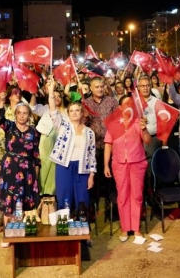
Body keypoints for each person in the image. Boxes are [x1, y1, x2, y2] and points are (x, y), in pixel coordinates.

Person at [103, 95, 151, 242]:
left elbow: (148, 141)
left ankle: (136, 227)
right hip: (119, 164)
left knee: (136, 195)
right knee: (122, 195)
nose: (129, 106)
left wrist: (144, 130)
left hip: (137, 162)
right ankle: (125, 228)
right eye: (125, 104)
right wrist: (105, 165)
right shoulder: (113, 124)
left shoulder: (138, 122)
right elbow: (108, 145)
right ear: (120, 108)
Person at [46, 77, 96, 215]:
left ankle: (82, 227)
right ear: (67, 114)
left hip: (82, 168)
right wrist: (51, 91)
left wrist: (92, 175)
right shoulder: (63, 126)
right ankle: (64, 225)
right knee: (64, 197)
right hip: (64, 166)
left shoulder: (89, 132)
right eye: (71, 111)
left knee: (83, 199)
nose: (74, 113)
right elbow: (53, 111)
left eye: (77, 110)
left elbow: (92, 155)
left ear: (82, 113)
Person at [0, 100, 40, 248]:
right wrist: (1, 103)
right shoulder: (10, 127)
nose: (22, 116)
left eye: (25, 113)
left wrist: (36, 174)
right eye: (19, 113)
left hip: (27, 170)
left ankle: (18, 232)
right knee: (9, 201)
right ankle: (7, 234)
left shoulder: (33, 132)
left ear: (29, 115)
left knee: (21, 202)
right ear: (15, 114)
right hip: (10, 168)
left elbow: (36, 154)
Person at [83, 76, 118, 204]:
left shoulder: (111, 101)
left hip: (110, 144)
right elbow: (82, 125)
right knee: (95, 175)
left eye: (101, 86)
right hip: (94, 146)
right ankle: (95, 203)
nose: (100, 89)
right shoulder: (86, 104)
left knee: (110, 175)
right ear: (91, 88)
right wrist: (85, 118)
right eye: (97, 87)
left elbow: (118, 121)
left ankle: (110, 201)